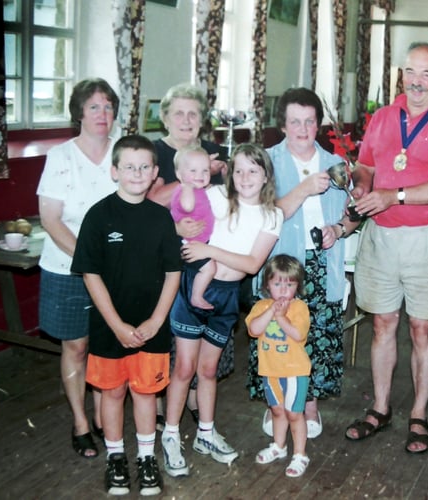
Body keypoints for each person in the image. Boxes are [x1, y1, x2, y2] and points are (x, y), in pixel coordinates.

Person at [344, 41, 428, 454]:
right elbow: (365, 163)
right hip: (381, 236)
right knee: (382, 323)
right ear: (401, 74)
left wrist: (392, 195)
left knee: (422, 328)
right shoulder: (383, 117)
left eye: (426, 74)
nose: (417, 82)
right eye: (411, 72)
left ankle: (418, 413)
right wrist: (362, 185)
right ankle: (380, 408)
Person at [161, 143, 282, 477]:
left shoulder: (272, 214)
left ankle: (205, 433)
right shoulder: (215, 197)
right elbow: (177, 214)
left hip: (227, 295)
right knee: (184, 367)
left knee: (209, 371)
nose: (245, 177)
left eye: (253, 170)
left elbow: (253, 263)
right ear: (229, 172)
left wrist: (210, 248)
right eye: (239, 169)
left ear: (266, 175)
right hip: (195, 285)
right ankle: (170, 435)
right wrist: (179, 230)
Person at [71, 135, 182, 496]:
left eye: (144, 166)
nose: (137, 172)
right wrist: (117, 325)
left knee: (147, 394)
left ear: (154, 173)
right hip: (109, 329)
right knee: (113, 393)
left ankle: (147, 459)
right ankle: (116, 458)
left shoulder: (162, 218)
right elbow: (91, 274)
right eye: (129, 166)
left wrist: (154, 322)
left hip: (153, 328)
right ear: (115, 170)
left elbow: (173, 274)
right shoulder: (98, 216)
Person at [247, 87, 357, 439]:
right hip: (279, 265)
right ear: (282, 124)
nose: (302, 129)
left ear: (318, 125)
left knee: (314, 336)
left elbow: (353, 213)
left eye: (309, 121)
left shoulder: (334, 163)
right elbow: (262, 215)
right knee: (276, 334)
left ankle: (309, 406)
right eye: (294, 121)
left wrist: (338, 230)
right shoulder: (265, 161)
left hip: (322, 262)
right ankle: (276, 404)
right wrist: (305, 188)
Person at [36, 78, 120, 459]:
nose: (102, 114)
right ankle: (80, 421)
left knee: (106, 344)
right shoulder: (61, 156)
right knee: (77, 344)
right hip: (67, 267)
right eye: (93, 107)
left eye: (107, 107)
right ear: (79, 114)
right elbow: (51, 220)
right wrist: (88, 261)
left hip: (115, 268)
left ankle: (104, 417)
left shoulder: (122, 152)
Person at [147, 83, 230, 427]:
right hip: (163, 260)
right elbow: (146, 204)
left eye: (193, 113)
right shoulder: (153, 153)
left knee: (204, 334)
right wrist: (175, 227)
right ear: (165, 118)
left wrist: (225, 172)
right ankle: (161, 406)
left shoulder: (215, 152)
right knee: (169, 338)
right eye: (178, 113)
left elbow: (231, 202)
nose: (185, 119)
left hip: (210, 259)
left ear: (202, 120)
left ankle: (196, 400)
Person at [247, 254, 312, 478]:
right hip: (270, 371)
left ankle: (301, 454)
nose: (283, 290)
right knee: (276, 410)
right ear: (267, 285)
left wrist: (282, 317)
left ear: (297, 285)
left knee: (294, 413)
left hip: (295, 372)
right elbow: (254, 330)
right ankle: (279, 445)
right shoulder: (261, 306)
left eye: (289, 284)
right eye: (277, 284)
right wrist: (271, 311)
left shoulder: (299, 308)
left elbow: (298, 334)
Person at [170, 146, 216, 310]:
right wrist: (189, 187)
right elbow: (188, 207)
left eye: (205, 170)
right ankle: (196, 296)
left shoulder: (198, 190)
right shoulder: (184, 190)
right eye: (193, 171)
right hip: (188, 243)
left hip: (199, 242)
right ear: (179, 175)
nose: (200, 175)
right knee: (209, 269)